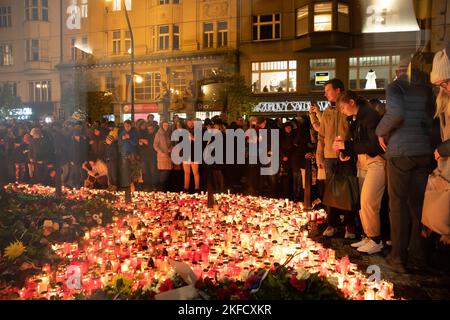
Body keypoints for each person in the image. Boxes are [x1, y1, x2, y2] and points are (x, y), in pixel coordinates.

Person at [376, 57, 435, 272]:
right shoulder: (427, 88)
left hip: (401, 152)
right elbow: (431, 118)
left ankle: (398, 258)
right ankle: (419, 256)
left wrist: (379, 131)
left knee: (398, 205)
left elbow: (396, 114)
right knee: (418, 205)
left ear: (399, 71)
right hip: (424, 150)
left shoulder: (396, 86)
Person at [334, 91, 386, 254]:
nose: (342, 111)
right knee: (360, 202)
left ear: (351, 102)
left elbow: (374, 145)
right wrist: (343, 151)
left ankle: (376, 240)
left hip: (375, 162)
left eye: (342, 107)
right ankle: (368, 236)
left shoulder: (370, 116)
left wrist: (347, 147)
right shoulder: (353, 119)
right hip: (361, 162)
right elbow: (351, 142)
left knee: (368, 201)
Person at [316, 79, 354, 238]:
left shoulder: (348, 109)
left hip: (346, 155)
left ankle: (350, 225)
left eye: (328, 90)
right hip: (330, 156)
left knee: (349, 190)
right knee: (331, 191)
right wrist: (319, 156)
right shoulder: (327, 112)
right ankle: (332, 224)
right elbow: (321, 136)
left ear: (338, 91)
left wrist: (349, 150)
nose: (325, 94)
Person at [428, 48, 450, 244]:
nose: (444, 88)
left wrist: (442, 149)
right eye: (439, 85)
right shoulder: (443, 100)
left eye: (446, 82)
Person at [118, 120, 138, 191]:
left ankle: (134, 184)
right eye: (125, 126)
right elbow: (119, 143)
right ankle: (126, 184)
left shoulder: (134, 132)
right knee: (125, 168)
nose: (126, 127)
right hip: (124, 153)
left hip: (132, 153)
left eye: (128, 126)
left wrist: (129, 138)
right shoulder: (122, 133)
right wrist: (122, 139)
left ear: (131, 126)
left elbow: (135, 143)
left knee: (133, 168)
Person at [154, 120, 173, 191]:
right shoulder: (158, 134)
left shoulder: (168, 133)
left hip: (168, 155)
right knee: (164, 172)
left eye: (167, 125)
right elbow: (155, 145)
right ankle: (160, 188)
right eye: (164, 125)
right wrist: (161, 152)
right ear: (161, 126)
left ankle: (163, 188)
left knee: (167, 171)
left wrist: (170, 149)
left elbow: (170, 144)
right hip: (162, 156)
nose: (166, 126)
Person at [183, 118, 200, 193]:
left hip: (195, 153)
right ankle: (186, 188)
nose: (190, 124)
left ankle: (197, 187)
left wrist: (192, 137)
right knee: (186, 172)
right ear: (186, 123)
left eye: (192, 123)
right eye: (189, 123)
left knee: (195, 172)